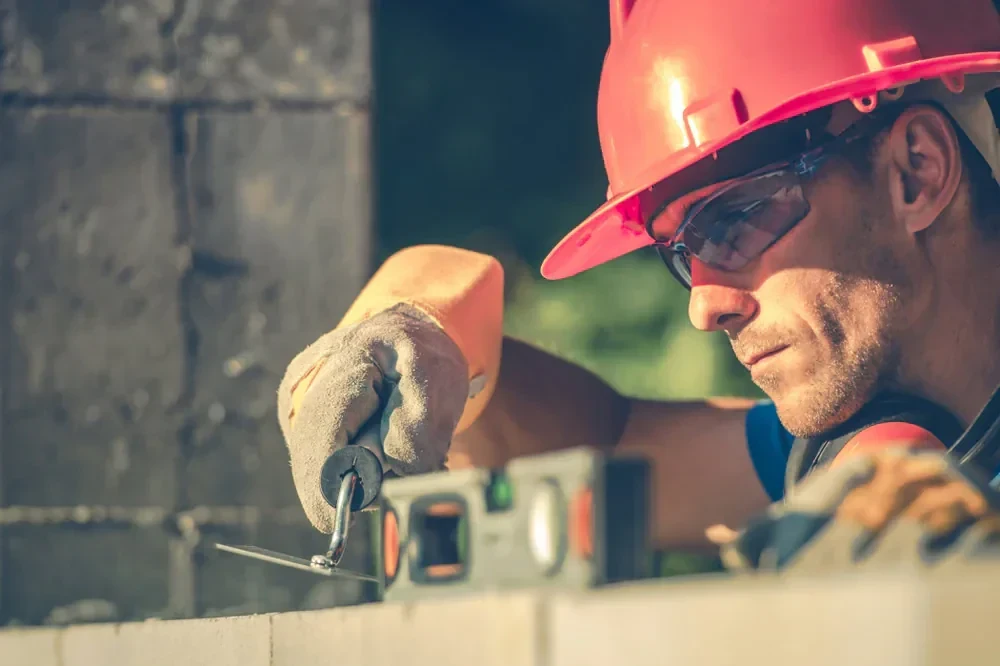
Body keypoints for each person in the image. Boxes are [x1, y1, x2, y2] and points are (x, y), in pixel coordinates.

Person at [277, 0, 1000, 568]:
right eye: (680, 253)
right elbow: (606, 445)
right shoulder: (867, 442)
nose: (702, 307)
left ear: (917, 171)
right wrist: (426, 331)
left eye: (734, 220)